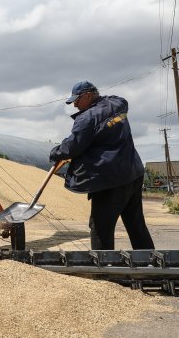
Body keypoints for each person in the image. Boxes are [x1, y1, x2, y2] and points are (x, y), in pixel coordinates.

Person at [49, 81, 154, 250]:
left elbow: (73, 146)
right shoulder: (118, 103)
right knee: (135, 223)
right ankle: (149, 261)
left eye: (77, 100)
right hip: (132, 173)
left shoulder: (86, 119)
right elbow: (114, 101)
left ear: (88, 95)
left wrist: (55, 152)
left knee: (100, 226)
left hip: (109, 179)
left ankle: (104, 267)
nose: (75, 105)